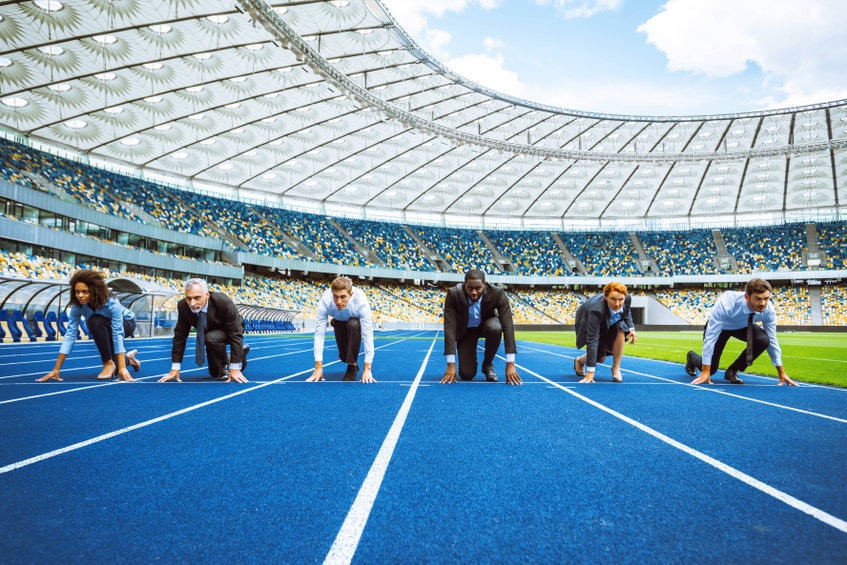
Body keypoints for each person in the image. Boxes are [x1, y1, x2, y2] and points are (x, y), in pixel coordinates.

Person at [686, 278, 797, 386]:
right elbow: (710, 337)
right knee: (711, 370)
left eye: (766, 298)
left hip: (743, 327)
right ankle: (691, 357)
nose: (763, 303)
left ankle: (732, 371)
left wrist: (781, 373)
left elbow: (772, 340)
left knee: (764, 340)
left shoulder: (769, 310)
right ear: (747, 296)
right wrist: (706, 370)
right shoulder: (727, 302)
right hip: (721, 328)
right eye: (758, 299)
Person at [38, 269, 139, 382]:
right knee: (115, 370)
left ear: (94, 291)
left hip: (127, 323)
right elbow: (70, 334)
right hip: (106, 326)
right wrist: (56, 369)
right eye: (77, 291)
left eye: (85, 292)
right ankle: (129, 360)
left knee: (94, 321)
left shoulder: (111, 303)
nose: (80, 295)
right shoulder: (77, 306)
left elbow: (117, 333)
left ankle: (107, 363)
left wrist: (123, 368)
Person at [159, 278, 249, 383]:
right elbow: (180, 336)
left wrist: (234, 367)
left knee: (211, 338)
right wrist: (175, 367)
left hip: (229, 330)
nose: (192, 303)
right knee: (214, 372)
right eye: (189, 298)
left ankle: (226, 365)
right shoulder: (183, 306)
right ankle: (239, 354)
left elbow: (235, 334)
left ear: (207, 295)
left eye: (197, 298)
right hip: (209, 333)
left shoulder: (223, 302)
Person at [441, 269, 521, 385]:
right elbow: (449, 327)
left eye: (478, 288)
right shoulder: (454, 294)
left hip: (486, 325)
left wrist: (510, 364)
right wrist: (450, 364)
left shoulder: (497, 293)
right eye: (470, 288)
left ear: (484, 284)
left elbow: (508, 326)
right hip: (466, 331)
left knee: (496, 327)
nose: (474, 292)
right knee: (467, 375)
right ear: (464, 285)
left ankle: (487, 364)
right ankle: (470, 363)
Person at [307, 276, 375, 383]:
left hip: (354, 323)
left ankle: (352, 366)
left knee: (353, 324)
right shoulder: (325, 301)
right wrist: (318, 367)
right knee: (344, 357)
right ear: (331, 294)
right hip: (338, 322)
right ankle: (349, 360)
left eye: (343, 297)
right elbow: (319, 334)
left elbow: (367, 334)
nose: (339, 301)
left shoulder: (361, 302)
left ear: (351, 295)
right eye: (336, 297)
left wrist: (368, 369)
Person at [573, 282, 637, 383]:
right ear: (606, 297)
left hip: (612, 323)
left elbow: (626, 312)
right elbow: (592, 340)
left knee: (621, 327)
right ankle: (580, 360)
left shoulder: (627, 298)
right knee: (600, 358)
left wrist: (631, 329)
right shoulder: (596, 310)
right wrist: (590, 373)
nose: (617, 304)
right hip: (588, 321)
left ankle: (616, 368)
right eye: (613, 299)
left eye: (621, 300)